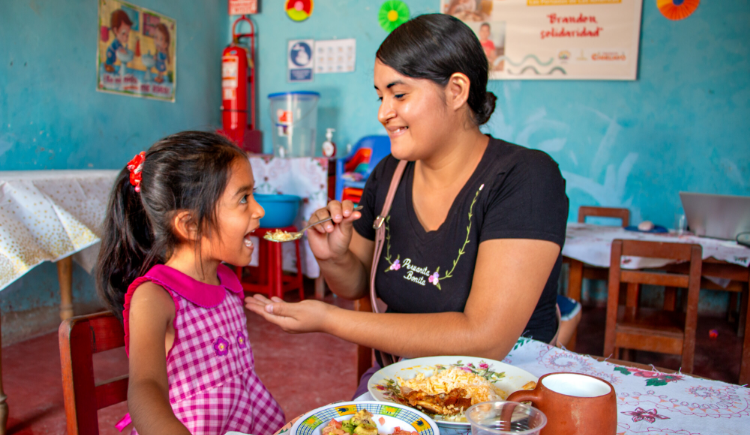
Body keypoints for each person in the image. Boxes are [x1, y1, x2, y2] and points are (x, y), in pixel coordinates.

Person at [245, 14, 568, 396]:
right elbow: (355, 283)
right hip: (404, 383)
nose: (383, 112)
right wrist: (333, 258)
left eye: (399, 95)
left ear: (456, 90)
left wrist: (328, 319)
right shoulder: (389, 175)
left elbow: (484, 339)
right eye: (380, 96)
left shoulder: (526, 178)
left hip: (503, 396)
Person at [96, 131, 285, 435]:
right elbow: (145, 388)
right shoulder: (155, 296)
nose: (259, 210)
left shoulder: (227, 281)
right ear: (191, 225)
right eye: (243, 199)